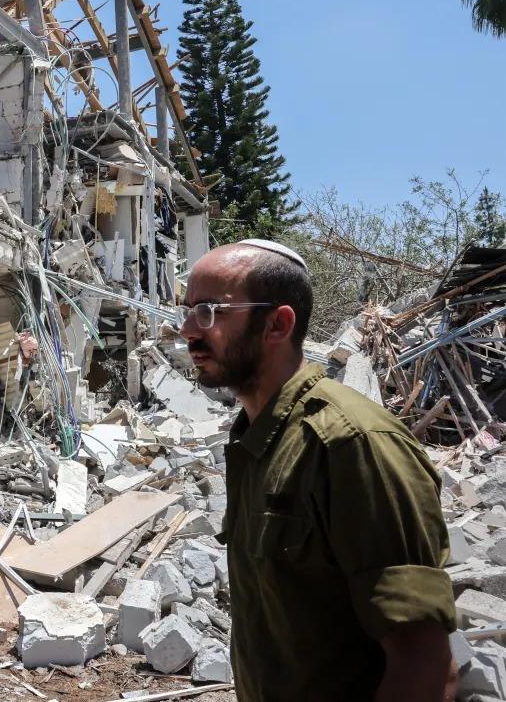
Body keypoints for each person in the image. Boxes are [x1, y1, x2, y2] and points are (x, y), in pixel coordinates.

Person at [179, 239, 457, 702]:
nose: (187, 329)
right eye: (187, 311)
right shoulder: (258, 436)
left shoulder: (352, 443)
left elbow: (425, 666)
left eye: (210, 311)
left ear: (278, 324)